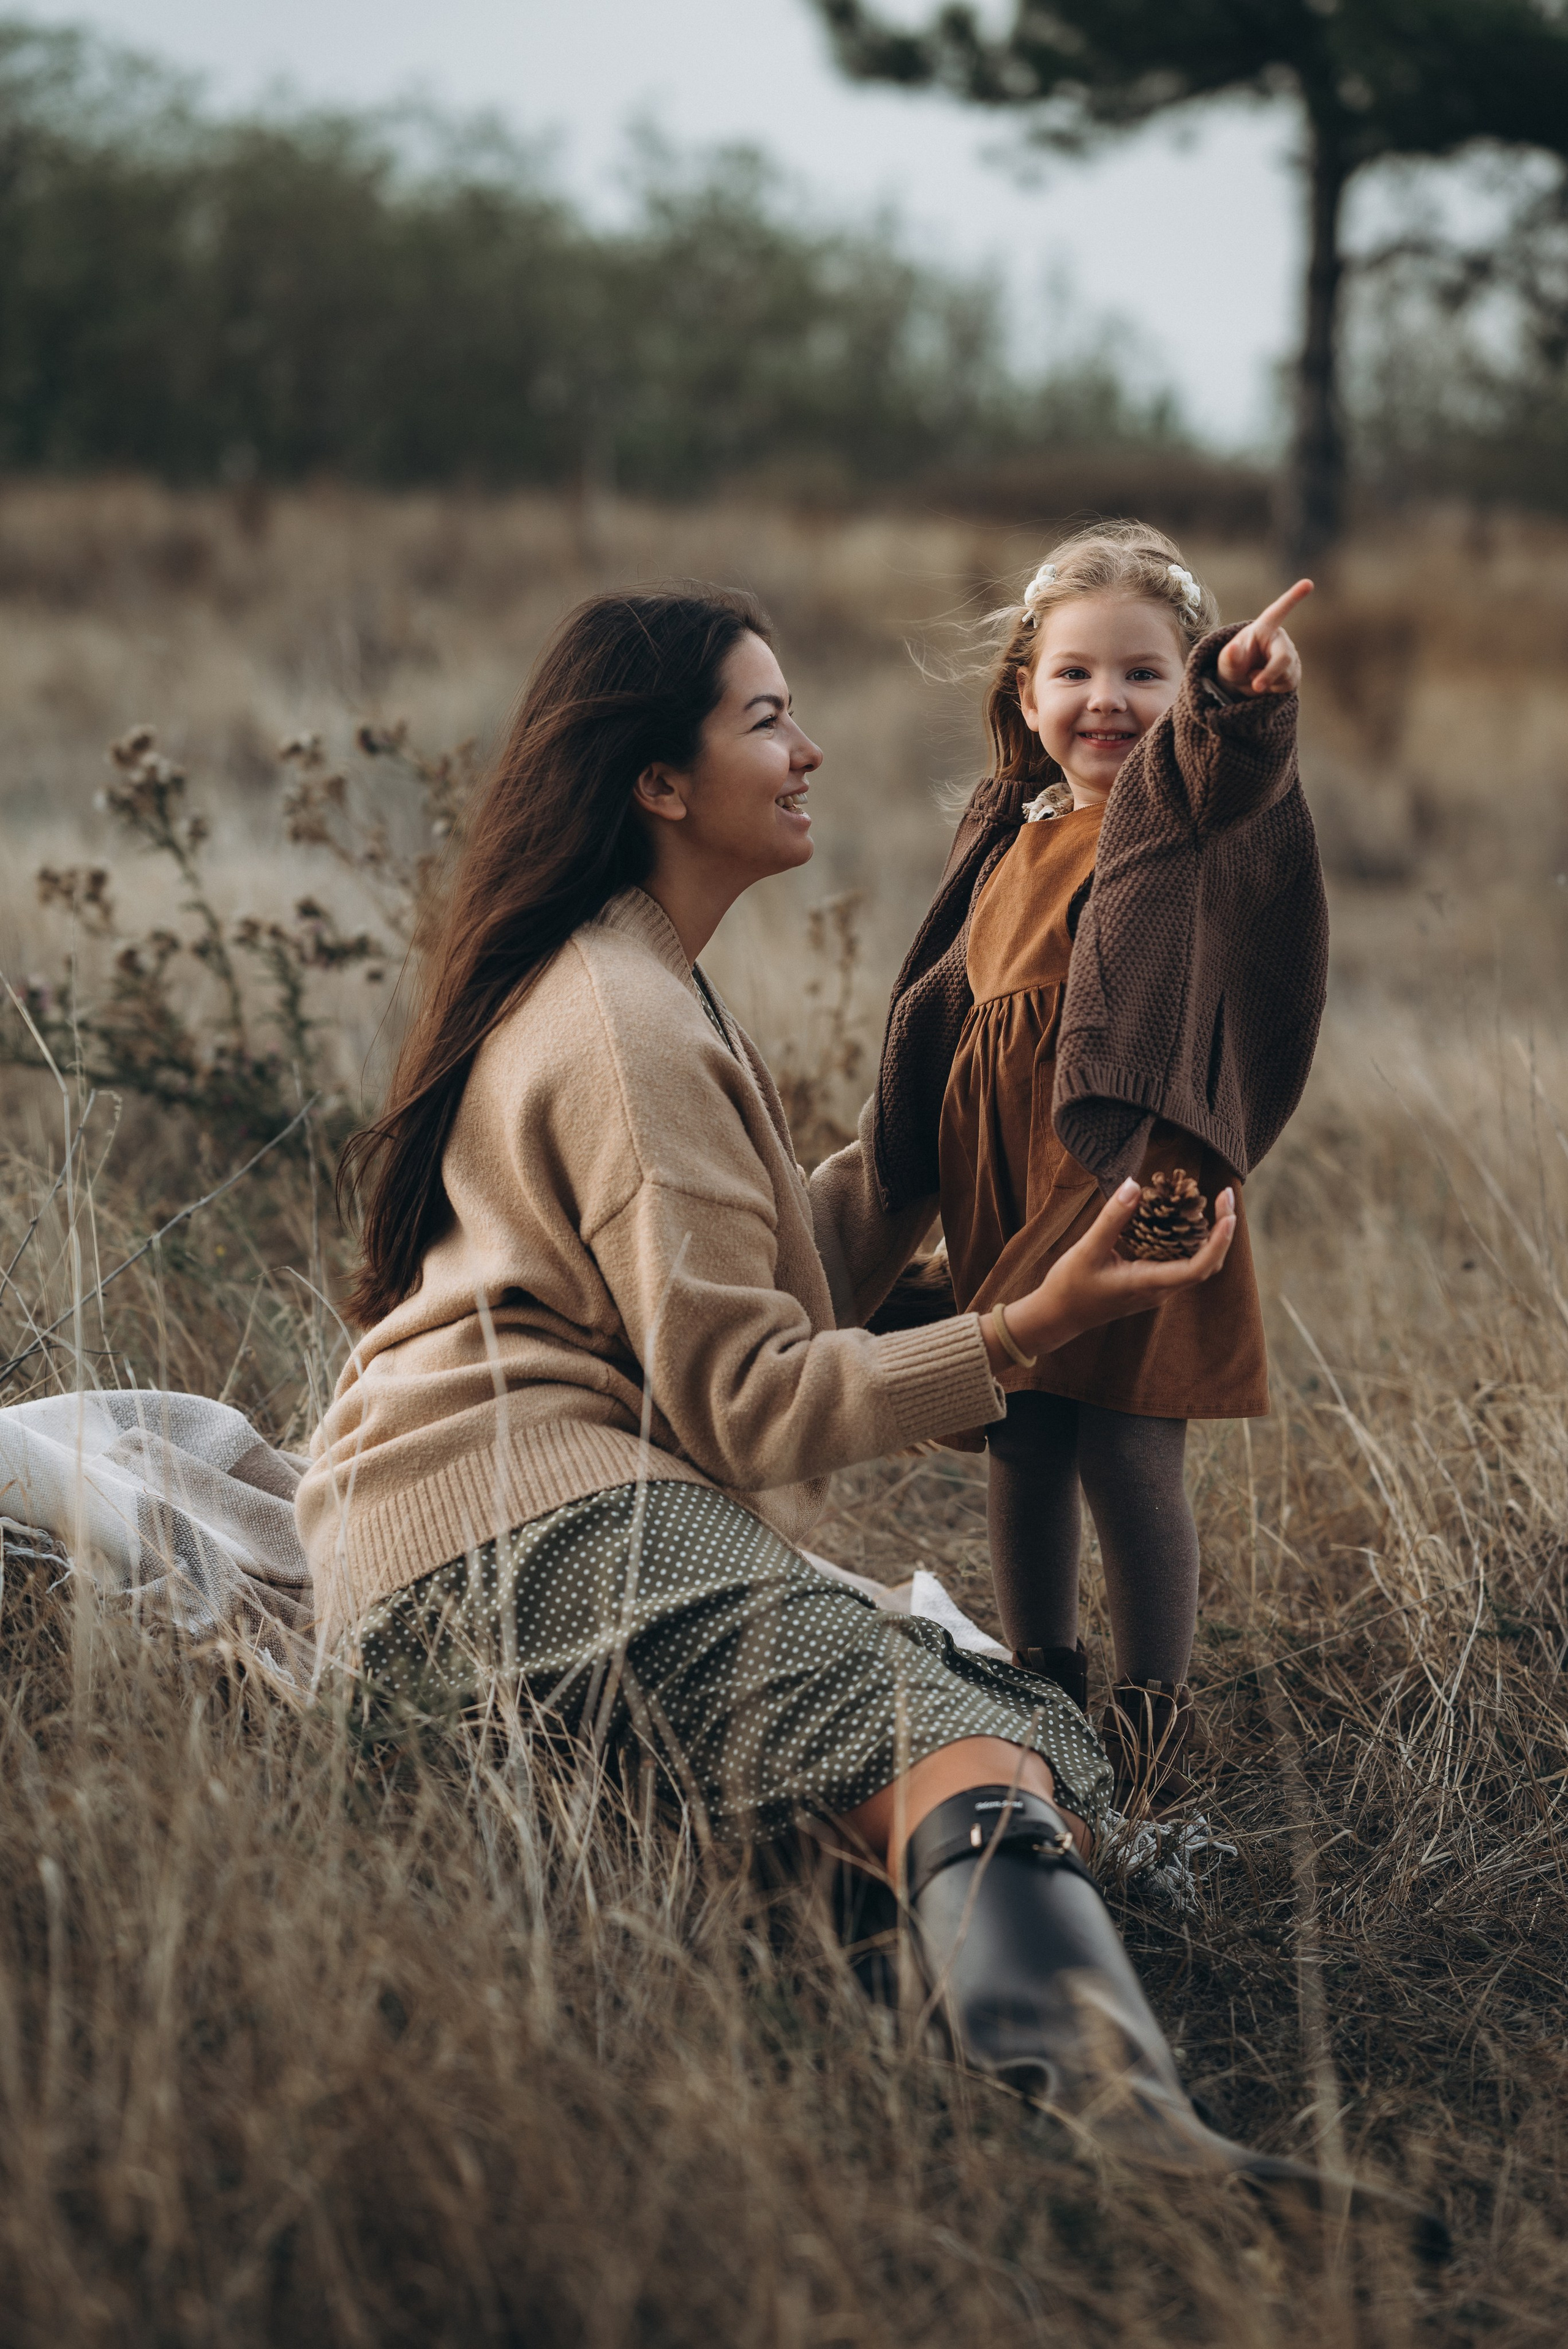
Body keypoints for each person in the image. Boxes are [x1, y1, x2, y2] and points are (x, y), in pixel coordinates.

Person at [296, 583, 1344, 2187]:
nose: (811, 750)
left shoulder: (622, 968)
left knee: (986, 1728)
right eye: (767, 720)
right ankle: (1129, 2129)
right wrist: (1020, 1329)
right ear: (661, 781)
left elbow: (714, 1290)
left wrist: (916, 1172)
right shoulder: (627, 1026)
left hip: (493, 1530)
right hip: (522, 1540)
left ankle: (878, 2011)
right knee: (969, 1741)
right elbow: (756, 1404)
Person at [870, 524, 1329, 1812]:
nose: (1106, 701)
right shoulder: (1006, 827)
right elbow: (944, 997)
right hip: (1008, 1174)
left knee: (1129, 1450)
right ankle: (1040, 1681)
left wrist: (1237, 701)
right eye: (1073, 673)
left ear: (1181, 691)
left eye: (1144, 674)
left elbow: (1223, 768)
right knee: (1018, 1435)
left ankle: (1149, 1726)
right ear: (1024, 690)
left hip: (1129, 1170)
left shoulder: (1178, 816)